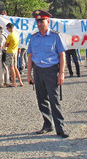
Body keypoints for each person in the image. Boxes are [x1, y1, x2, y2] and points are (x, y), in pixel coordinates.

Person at [27, 10, 69, 138]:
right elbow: (30, 56)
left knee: (54, 100)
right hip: (38, 70)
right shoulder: (34, 37)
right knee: (41, 100)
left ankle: (60, 128)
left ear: (48, 21)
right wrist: (29, 74)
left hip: (51, 70)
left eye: (42, 21)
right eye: (38, 21)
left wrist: (61, 73)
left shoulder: (55, 36)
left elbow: (62, 55)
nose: (39, 23)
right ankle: (47, 124)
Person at [5, 22, 23, 87]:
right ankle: (20, 81)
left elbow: (6, 44)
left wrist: (7, 44)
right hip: (15, 51)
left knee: (11, 67)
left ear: (9, 28)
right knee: (15, 67)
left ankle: (14, 82)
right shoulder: (16, 34)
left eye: (7, 28)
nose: (7, 30)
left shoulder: (9, 36)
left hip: (10, 51)